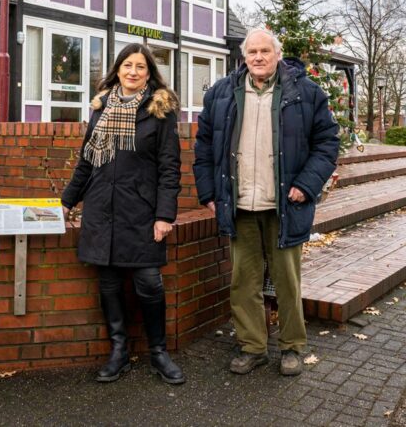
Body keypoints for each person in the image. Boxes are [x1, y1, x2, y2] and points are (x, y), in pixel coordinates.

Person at [193, 28, 339, 376]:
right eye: (252, 51)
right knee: (244, 281)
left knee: (287, 282)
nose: (258, 57)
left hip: (284, 204)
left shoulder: (305, 92)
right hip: (240, 204)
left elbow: (327, 142)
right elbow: (204, 147)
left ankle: (291, 348)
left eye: (265, 51)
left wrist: (306, 184)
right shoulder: (221, 94)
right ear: (244, 57)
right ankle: (252, 346)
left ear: (277, 53)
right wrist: (209, 194)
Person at [61, 43, 185, 385]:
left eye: (140, 67)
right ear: (117, 70)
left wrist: (165, 215)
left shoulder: (160, 110)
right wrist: (67, 201)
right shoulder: (101, 108)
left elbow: (169, 167)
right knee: (109, 283)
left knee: (148, 282)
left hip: (141, 211)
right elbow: (87, 159)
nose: (133, 72)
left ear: (149, 73)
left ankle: (158, 351)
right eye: (127, 65)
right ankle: (118, 350)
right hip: (102, 208)